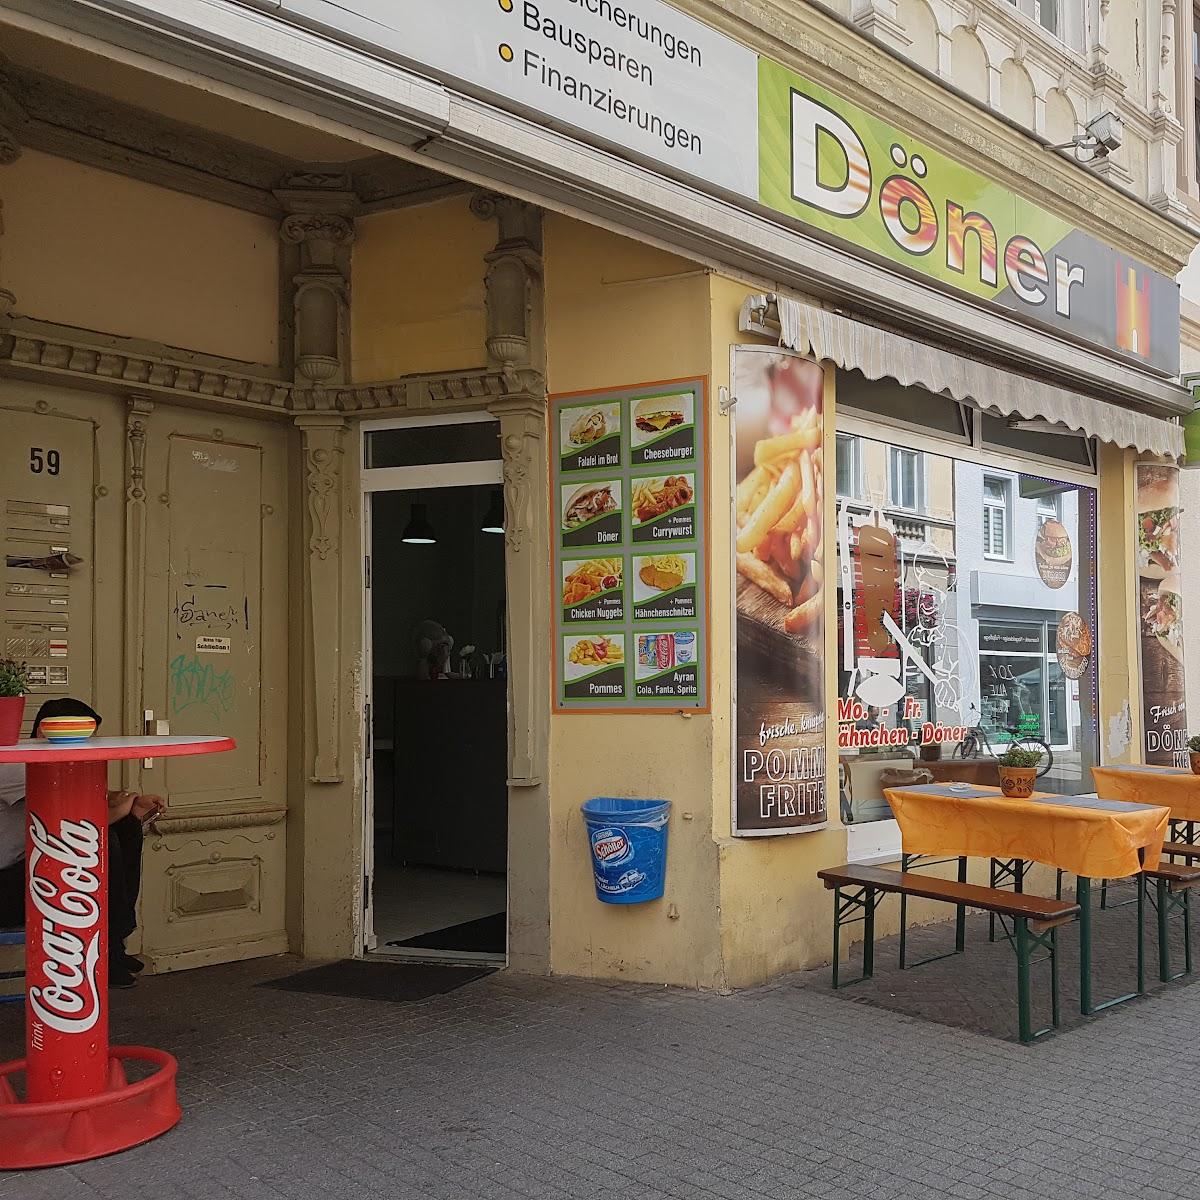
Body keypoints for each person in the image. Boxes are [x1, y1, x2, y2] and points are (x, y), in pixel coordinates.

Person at [0, 699, 164, 988]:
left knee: (126, 828)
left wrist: (129, 804)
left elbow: (88, 795)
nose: (88, 746)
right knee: (101, 839)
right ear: (45, 732)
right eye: (81, 736)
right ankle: (107, 953)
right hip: (8, 884)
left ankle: (114, 944)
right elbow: (75, 824)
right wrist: (120, 808)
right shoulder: (15, 765)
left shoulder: (59, 766)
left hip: (36, 874)